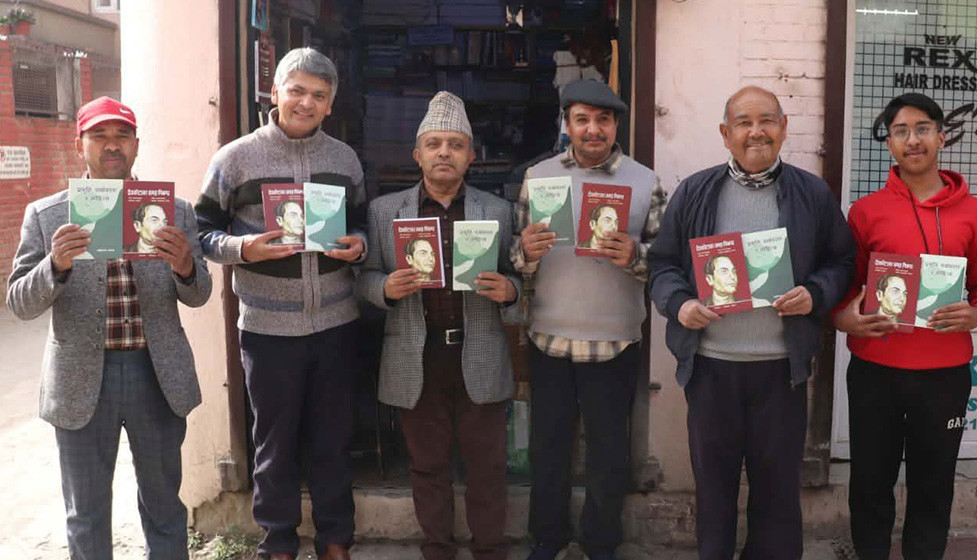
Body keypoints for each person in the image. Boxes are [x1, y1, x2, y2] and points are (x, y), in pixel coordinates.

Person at [648, 86, 856, 560]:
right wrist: (680, 304)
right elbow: (662, 264)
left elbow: (842, 261)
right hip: (710, 368)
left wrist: (815, 293)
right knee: (713, 490)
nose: (756, 131)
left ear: (784, 128)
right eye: (743, 122)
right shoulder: (695, 191)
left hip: (781, 370)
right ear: (726, 134)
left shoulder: (811, 193)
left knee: (778, 494)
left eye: (767, 120)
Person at [7, 96, 212, 560]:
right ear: (79, 144)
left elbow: (199, 294)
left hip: (155, 373)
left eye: (122, 136)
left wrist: (185, 266)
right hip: (81, 377)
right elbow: (19, 303)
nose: (112, 145)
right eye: (99, 136)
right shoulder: (48, 215)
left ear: (137, 144)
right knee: (85, 513)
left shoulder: (174, 211)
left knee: (164, 506)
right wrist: (54, 266)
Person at [194, 48, 366, 560]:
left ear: (330, 104)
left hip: (337, 322)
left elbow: (360, 223)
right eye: (297, 91)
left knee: (333, 440)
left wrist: (358, 244)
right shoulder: (235, 158)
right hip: (268, 328)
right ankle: (279, 544)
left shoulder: (345, 159)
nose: (306, 103)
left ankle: (335, 541)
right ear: (275, 92)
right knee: (274, 444)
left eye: (318, 95)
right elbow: (202, 233)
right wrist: (243, 248)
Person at [831, 93, 977, 560]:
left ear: (942, 137)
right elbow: (847, 286)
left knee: (934, 482)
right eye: (900, 131)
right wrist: (845, 318)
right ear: (889, 144)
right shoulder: (866, 212)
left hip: (945, 375)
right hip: (875, 371)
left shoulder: (975, 213)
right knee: (870, 479)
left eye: (923, 128)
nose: (913, 139)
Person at [359, 91, 520, 560]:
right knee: (427, 466)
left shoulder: (498, 211)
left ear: (471, 156)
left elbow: (520, 277)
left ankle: (490, 551)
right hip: (417, 353)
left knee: (487, 467)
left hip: (479, 350)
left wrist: (509, 291)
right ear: (417, 155)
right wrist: (385, 288)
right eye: (434, 144)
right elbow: (363, 277)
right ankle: (437, 550)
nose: (444, 153)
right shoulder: (385, 211)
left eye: (455, 145)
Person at [513, 79, 667, 560]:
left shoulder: (645, 182)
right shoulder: (538, 177)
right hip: (549, 339)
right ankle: (548, 539)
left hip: (614, 342)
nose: (593, 130)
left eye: (603, 120)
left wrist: (636, 255)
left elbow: (667, 263)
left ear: (616, 125)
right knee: (548, 450)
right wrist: (525, 252)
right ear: (567, 124)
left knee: (608, 453)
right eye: (582, 119)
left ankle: (601, 543)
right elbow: (515, 258)